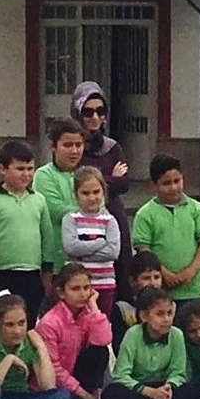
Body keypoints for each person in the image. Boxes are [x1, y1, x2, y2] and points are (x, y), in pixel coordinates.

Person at [0, 140, 56, 320]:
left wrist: (47, 274)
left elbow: (47, 239)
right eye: (20, 169)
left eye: (30, 168)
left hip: (31, 273)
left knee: (28, 322)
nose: (26, 174)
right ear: (3, 169)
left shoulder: (39, 200)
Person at [71, 81, 133, 301]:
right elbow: (75, 181)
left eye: (100, 111)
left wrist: (97, 181)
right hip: (84, 220)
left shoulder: (112, 147)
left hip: (113, 214)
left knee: (121, 272)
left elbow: (124, 183)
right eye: (88, 112)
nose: (94, 117)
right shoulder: (73, 148)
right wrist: (110, 179)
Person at [131, 154, 200, 308]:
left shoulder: (196, 208)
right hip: (158, 290)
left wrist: (190, 271)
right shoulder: (145, 214)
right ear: (154, 185)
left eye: (177, 181)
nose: (174, 187)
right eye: (166, 183)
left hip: (192, 289)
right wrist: (164, 273)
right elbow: (143, 249)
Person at [103, 287, 192, 399]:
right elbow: (120, 375)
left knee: (194, 389)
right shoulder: (133, 335)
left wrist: (168, 387)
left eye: (169, 313)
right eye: (160, 314)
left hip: (165, 387)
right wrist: (149, 392)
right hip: (140, 388)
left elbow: (179, 372)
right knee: (111, 393)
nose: (167, 319)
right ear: (144, 316)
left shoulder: (176, 335)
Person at [36, 263, 111, 399]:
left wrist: (94, 306)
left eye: (86, 288)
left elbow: (104, 340)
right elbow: (54, 368)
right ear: (61, 293)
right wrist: (82, 394)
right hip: (55, 384)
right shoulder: (50, 322)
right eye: (75, 289)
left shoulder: (87, 314)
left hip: (75, 375)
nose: (83, 294)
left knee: (100, 352)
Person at [62, 166, 122, 318]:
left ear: (103, 192)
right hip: (76, 287)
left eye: (96, 192)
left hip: (105, 284)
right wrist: (100, 242)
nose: (91, 197)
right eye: (85, 193)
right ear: (76, 194)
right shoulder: (70, 219)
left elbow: (113, 252)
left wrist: (81, 255)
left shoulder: (110, 220)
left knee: (100, 324)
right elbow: (71, 247)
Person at [34, 119, 85, 273]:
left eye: (78, 145)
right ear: (53, 147)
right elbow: (55, 210)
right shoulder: (44, 175)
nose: (74, 151)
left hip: (85, 261)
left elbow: (100, 206)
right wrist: (87, 213)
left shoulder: (86, 175)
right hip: (55, 260)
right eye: (68, 145)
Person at [110, 250, 163, 355]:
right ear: (133, 281)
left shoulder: (170, 308)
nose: (153, 283)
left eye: (156, 277)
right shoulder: (123, 309)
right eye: (146, 278)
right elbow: (119, 348)